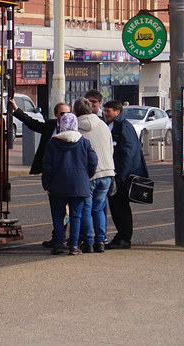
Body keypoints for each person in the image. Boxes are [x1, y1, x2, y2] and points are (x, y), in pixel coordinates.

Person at [10, 97, 70, 248]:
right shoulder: (50, 125)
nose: (65, 117)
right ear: (56, 114)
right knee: (58, 208)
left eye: (68, 113)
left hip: (70, 174)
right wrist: (16, 109)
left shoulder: (76, 128)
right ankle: (58, 237)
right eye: (62, 113)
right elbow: (32, 124)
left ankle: (75, 239)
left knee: (71, 209)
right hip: (52, 173)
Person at [41, 112, 98, 255]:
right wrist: (86, 176)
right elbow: (93, 161)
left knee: (58, 216)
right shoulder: (84, 142)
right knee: (76, 215)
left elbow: (47, 166)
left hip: (57, 185)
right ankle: (74, 246)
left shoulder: (53, 142)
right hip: (79, 184)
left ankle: (58, 244)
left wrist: (46, 185)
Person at [102, 99, 147, 249]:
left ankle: (124, 237)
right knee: (116, 206)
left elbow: (128, 151)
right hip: (116, 173)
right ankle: (122, 236)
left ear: (118, 112)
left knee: (120, 207)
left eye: (109, 111)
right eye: (105, 110)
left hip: (123, 176)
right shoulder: (112, 125)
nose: (105, 113)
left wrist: (121, 175)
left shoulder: (123, 126)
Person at [72, 97, 115, 253]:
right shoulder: (103, 125)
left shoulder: (76, 128)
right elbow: (111, 148)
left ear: (75, 111)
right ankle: (100, 241)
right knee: (99, 208)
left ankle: (88, 242)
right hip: (107, 171)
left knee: (86, 209)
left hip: (88, 173)